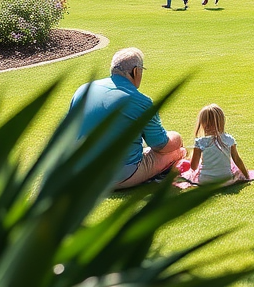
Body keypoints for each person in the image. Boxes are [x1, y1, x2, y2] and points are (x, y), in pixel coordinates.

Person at [68, 47, 186, 190]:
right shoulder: (140, 101)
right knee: (175, 151)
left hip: (79, 172)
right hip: (117, 175)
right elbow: (160, 144)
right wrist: (177, 138)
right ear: (136, 71)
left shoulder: (83, 90)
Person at [180, 104, 250, 185]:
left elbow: (193, 167)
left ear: (202, 123)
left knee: (191, 173)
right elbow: (237, 160)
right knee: (235, 170)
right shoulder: (229, 139)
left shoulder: (200, 142)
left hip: (205, 181)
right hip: (226, 180)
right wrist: (246, 176)